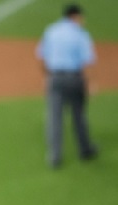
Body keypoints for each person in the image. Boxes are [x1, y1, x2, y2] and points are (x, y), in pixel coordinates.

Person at [37, 3, 98, 169]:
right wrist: (88, 83)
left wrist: (48, 77)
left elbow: (41, 57)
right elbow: (86, 62)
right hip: (74, 78)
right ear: (75, 16)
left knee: (54, 118)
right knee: (79, 115)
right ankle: (84, 149)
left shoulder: (51, 31)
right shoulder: (80, 34)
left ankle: (54, 156)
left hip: (55, 77)